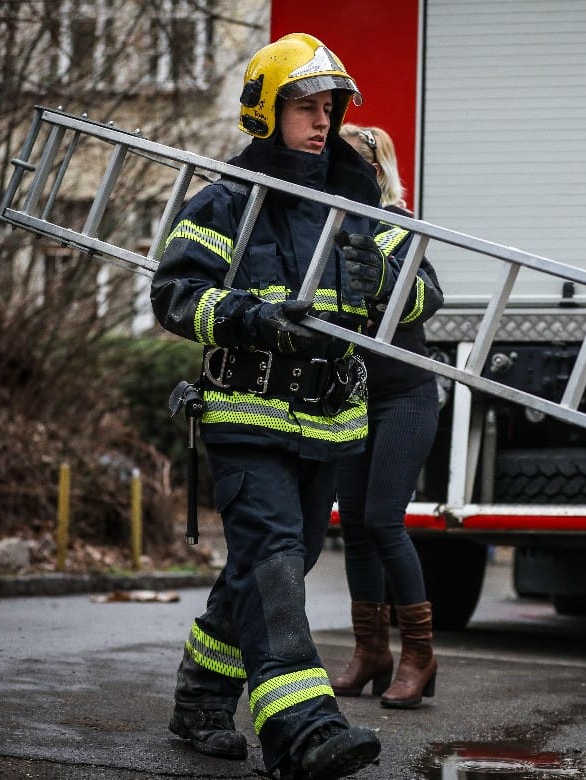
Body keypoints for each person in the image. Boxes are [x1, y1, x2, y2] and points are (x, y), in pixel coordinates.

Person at [150, 33, 437, 780]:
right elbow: (174, 296)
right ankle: (303, 732)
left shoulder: (362, 205)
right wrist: (247, 317)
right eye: (305, 107)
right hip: (246, 419)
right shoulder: (223, 202)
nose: (321, 121)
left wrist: (381, 277)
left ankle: (202, 699)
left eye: (328, 107)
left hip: (329, 425)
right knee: (275, 565)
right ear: (265, 112)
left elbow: (427, 299)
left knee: (274, 563)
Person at [329, 124, 443, 708]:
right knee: (352, 529)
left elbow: (429, 297)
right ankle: (369, 651)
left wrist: (381, 284)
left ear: (376, 172)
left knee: (383, 521)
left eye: (351, 165)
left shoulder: (399, 227)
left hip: (405, 395)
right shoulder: (324, 224)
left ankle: (418, 657)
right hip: (352, 395)